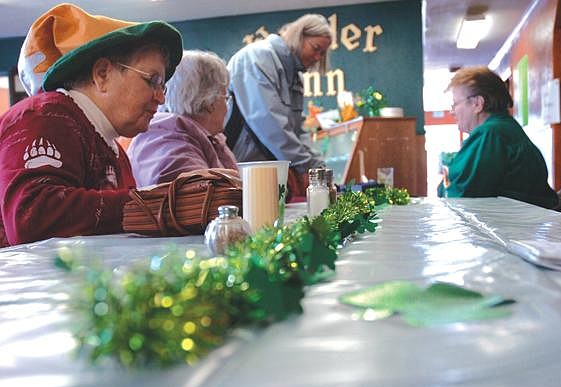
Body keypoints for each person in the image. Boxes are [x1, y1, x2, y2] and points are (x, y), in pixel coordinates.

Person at [0, 3, 183, 247]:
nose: (161, 97)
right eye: (153, 80)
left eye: (163, 86)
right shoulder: (45, 116)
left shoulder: (113, 150)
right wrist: (157, 203)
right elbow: (32, 217)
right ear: (102, 75)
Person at [226, 14, 332, 196]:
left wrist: (316, 164)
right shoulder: (258, 57)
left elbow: (297, 130)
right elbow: (269, 123)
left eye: (322, 53)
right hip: (240, 171)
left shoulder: (295, 77)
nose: (317, 57)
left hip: (267, 172)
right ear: (299, 36)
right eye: (316, 49)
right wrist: (306, 165)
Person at [438, 66, 558, 208]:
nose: (452, 112)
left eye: (455, 104)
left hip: (513, 226)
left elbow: (461, 198)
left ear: (477, 103)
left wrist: (446, 171)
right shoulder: (504, 127)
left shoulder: (491, 133)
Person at [127, 50, 237, 187]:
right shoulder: (170, 142)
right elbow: (201, 200)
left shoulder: (197, 137)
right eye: (225, 98)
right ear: (209, 101)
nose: (227, 108)